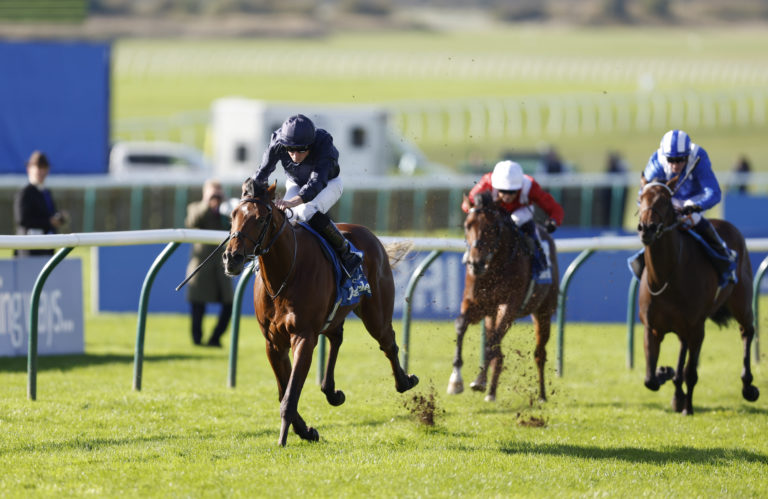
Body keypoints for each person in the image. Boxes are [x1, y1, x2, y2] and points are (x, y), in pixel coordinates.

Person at [251, 113, 362, 278]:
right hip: (296, 182)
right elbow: (262, 173)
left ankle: (346, 252)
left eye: (301, 150)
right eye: (290, 150)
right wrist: (251, 193)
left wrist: (292, 202)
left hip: (328, 184)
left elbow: (316, 183)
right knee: (283, 216)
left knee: (304, 212)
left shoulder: (324, 143)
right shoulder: (278, 141)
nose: (295, 156)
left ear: (311, 144)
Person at [639, 129, 736, 282]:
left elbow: (714, 193)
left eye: (680, 159)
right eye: (671, 160)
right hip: (667, 201)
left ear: (688, 155)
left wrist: (696, 206)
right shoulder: (657, 162)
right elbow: (643, 195)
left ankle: (724, 256)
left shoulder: (699, 157)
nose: (675, 165)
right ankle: (640, 265)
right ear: (665, 157)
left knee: (695, 219)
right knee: (653, 228)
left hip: (693, 199)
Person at [461, 160, 564, 281]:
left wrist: (554, 221)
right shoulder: (486, 182)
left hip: (520, 213)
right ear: (496, 185)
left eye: (512, 191)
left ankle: (540, 265)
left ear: (519, 186)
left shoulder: (530, 185)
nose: (507, 196)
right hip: (495, 214)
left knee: (522, 227)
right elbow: (466, 204)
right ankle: (471, 254)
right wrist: (471, 207)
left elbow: (555, 208)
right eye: (503, 191)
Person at [185, 179, 234, 347]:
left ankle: (215, 338)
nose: (215, 196)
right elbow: (192, 222)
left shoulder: (227, 210)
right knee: (198, 305)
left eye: (218, 192)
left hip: (221, 266)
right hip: (201, 266)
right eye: (212, 192)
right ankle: (197, 340)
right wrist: (207, 203)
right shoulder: (195, 207)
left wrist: (224, 204)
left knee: (229, 304)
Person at [13, 150, 68, 257]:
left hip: (46, 249)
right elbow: (22, 220)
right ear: (29, 169)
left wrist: (59, 218)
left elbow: (50, 214)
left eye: (44, 168)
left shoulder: (46, 192)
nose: (42, 172)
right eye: (39, 168)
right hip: (29, 250)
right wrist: (49, 222)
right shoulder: (25, 193)